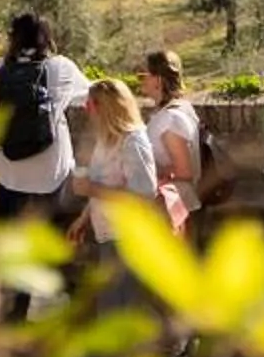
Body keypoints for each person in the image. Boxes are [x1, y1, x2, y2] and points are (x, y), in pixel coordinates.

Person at [0, 12, 89, 320]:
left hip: (9, 169)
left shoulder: (0, 68)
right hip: (49, 172)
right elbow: (91, 92)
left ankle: (14, 307)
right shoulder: (61, 67)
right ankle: (43, 304)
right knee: (49, 238)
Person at [67, 78, 163, 316]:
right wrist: (84, 217)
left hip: (127, 236)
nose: (87, 111)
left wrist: (91, 190)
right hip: (108, 233)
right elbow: (102, 184)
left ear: (105, 107)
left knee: (119, 310)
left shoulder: (133, 142)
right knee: (111, 308)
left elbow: (143, 195)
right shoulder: (107, 138)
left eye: (90, 105)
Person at [140, 49, 203, 225]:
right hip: (174, 207)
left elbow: (184, 171)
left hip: (172, 212)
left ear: (158, 80)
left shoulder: (171, 118)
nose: (140, 79)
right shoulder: (178, 110)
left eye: (143, 75)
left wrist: (146, 170)